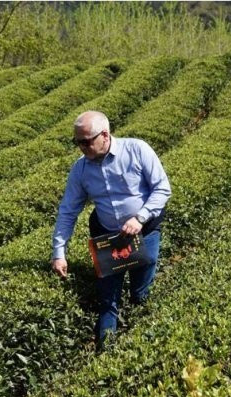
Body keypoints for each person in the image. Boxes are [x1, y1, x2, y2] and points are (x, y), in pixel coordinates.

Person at [51, 111, 171, 348]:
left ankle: (141, 345)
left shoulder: (137, 150)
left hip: (144, 231)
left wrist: (140, 218)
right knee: (108, 298)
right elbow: (68, 211)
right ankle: (105, 353)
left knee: (140, 294)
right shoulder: (80, 169)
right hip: (107, 236)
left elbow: (162, 189)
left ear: (104, 135)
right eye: (77, 142)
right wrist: (59, 252)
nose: (81, 147)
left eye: (86, 141)